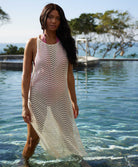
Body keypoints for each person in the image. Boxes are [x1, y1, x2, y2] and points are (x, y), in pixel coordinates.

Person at [21, 3, 87, 164]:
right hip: (37, 99)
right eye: (50, 17)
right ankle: (24, 163)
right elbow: (26, 76)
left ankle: (80, 164)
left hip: (61, 98)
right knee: (32, 140)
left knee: (69, 137)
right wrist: (24, 105)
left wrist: (74, 100)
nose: (53, 21)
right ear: (44, 18)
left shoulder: (67, 44)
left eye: (57, 18)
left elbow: (69, 75)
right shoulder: (32, 43)